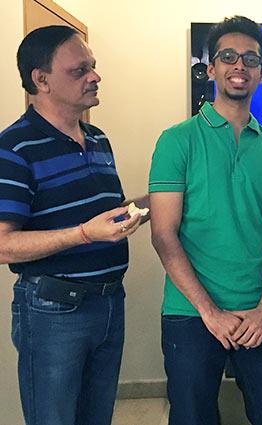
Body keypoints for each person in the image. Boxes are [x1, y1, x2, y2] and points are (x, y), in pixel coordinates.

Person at [149, 16, 262, 425]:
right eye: (228, 56)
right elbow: (163, 235)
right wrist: (210, 312)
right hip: (191, 312)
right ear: (210, 68)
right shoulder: (176, 140)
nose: (239, 66)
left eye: (250, 59)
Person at [1, 25, 147, 425]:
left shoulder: (98, 139)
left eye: (94, 67)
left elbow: (106, 213)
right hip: (52, 312)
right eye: (79, 70)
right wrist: (83, 234)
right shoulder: (14, 148)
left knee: (96, 417)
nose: (95, 76)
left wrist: (156, 202)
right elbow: (3, 245)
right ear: (41, 79)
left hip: (109, 302)